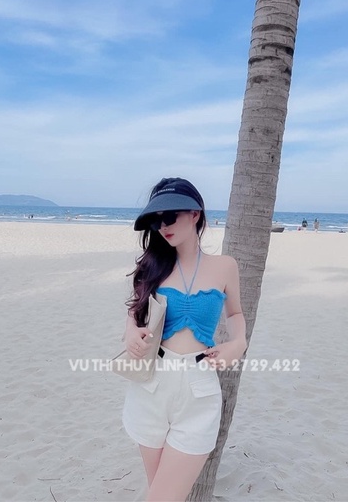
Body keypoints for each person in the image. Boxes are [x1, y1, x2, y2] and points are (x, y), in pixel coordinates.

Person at [121, 177, 247, 501]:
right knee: (162, 494)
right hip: (151, 387)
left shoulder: (225, 266)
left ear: (195, 214)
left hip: (199, 389)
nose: (163, 226)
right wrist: (131, 332)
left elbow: (235, 314)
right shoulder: (154, 266)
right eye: (157, 220)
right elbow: (135, 312)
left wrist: (238, 343)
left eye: (170, 216)